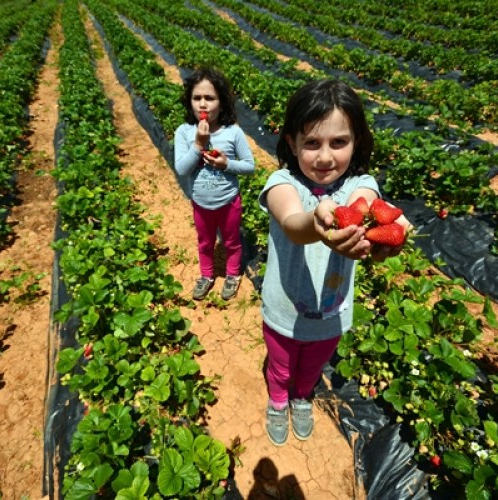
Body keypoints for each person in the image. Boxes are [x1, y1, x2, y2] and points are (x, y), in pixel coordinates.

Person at [258, 79, 410, 446]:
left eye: (338, 142)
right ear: (292, 143)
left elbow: (368, 204)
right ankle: (278, 400)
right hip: (283, 309)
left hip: (332, 312)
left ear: (356, 142)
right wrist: (318, 222)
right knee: (280, 365)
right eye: (312, 143)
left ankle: (301, 397)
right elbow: (294, 224)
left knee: (312, 366)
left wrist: (393, 230)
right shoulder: (282, 184)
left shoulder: (360, 186)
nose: (325, 156)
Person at [174, 68, 255, 301]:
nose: (203, 104)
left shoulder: (233, 133)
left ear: (222, 102)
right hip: (200, 203)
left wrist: (226, 164)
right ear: (189, 101)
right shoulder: (184, 132)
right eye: (197, 98)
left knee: (231, 241)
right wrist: (198, 145)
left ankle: (232, 275)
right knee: (205, 242)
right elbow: (181, 169)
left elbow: (250, 166)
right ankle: (207, 275)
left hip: (228, 201)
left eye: (210, 98)